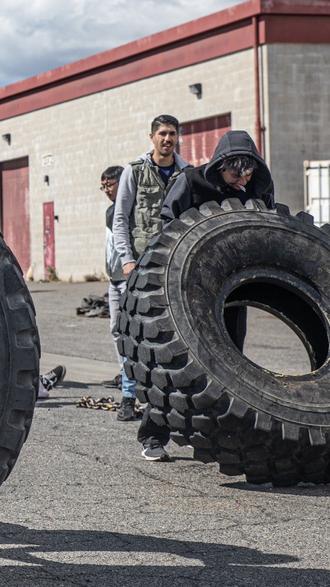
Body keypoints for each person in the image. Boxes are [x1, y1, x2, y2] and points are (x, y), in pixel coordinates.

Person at [135, 129, 275, 462]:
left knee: (229, 365)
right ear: (219, 165)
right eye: (233, 173)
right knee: (178, 364)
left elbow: (269, 229)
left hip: (232, 290)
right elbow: (167, 226)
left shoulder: (258, 187)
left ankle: (216, 438)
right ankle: (153, 435)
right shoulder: (191, 182)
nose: (241, 180)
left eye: (247, 173)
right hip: (188, 291)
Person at [111, 115, 191, 426]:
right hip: (140, 266)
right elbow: (121, 219)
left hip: (173, 265)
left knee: (174, 333)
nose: (167, 139)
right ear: (151, 137)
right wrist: (127, 261)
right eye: (162, 134)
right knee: (134, 332)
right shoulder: (134, 172)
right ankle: (129, 397)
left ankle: (170, 400)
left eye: (172, 134)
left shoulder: (187, 173)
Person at [101, 165, 141, 417]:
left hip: (128, 279)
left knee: (129, 333)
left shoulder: (130, 210)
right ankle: (125, 376)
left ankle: (131, 390)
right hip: (114, 280)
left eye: (109, 184)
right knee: (116, 329)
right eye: (103, 186)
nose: (106, 190)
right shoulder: (109, 211)